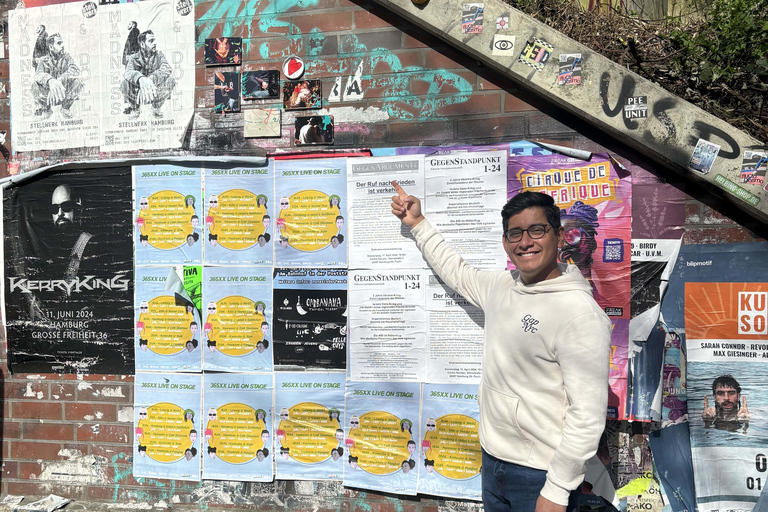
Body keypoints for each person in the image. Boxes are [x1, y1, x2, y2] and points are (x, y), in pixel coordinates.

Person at [391, 184, 611, 512]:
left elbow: (588, 414)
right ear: (506, 243)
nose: (525, 242)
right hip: (493, 460)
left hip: (539, 473)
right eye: (515, 234)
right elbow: (457, 272)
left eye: (537, 230)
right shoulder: (502, 287)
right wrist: (418, 222)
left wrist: (558, 489)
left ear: (560, 236)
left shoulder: (579, 313)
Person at [121, 30, 177, 119]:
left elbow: (167, 68)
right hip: (139, 93)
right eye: (151, 41)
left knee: (171, 81)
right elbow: (128, 72)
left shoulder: (159, 55)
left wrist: (150, 80)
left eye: (155, 40)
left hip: (155, 90)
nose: (155, 43)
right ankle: (135, 109)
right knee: (124, 84)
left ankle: (156, 108)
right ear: (142, 44)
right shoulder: (133, 57)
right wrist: (141, 79)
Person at [32, 34, 83, 119]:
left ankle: (65, 108)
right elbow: (38, 75)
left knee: (78, 83)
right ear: (51, 47)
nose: (63, 46)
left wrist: (60, 80)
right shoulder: (43, 60)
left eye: (62, 43)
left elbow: (74, 70)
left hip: (64, 94)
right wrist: (50, 81)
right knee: (34, 86)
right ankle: (46, 110)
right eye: (59, 43)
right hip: (49, 97)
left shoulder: (66, 57)